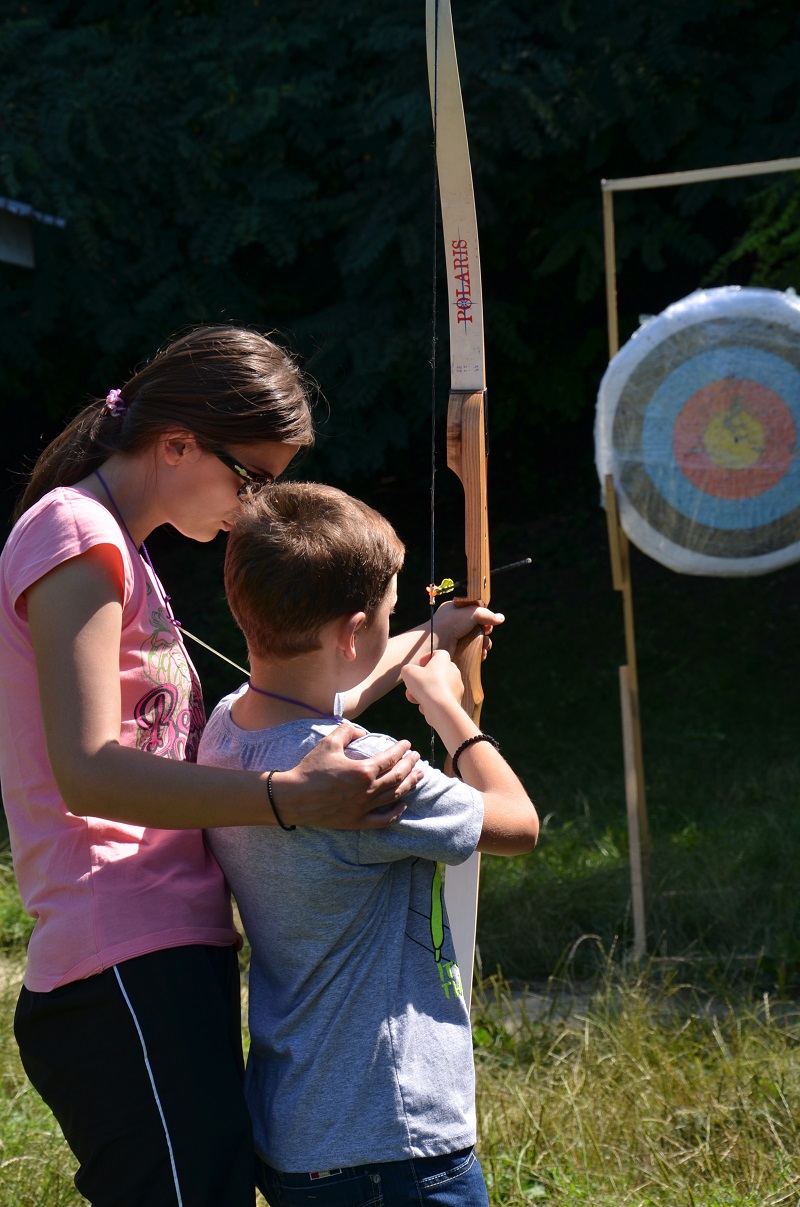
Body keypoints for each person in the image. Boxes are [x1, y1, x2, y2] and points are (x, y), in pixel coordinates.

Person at [0, 325, 502, 1207]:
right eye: (251, 476)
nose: (254, 502)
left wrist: (426, 640)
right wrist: (289, 798)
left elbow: (296, 693)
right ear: (178, 442)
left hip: (163, 949)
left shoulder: (121, 547)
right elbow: (87, 771)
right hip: (115, 956)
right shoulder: (74, 534)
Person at [200, 482, 539, 1207]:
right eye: (390, 614)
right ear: (353, 634)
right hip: (395, 1140)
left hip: (299, 1133)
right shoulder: (372, 776)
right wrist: (449, 709)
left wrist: (429, 635)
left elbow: (323, 696)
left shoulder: (227, 730)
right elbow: (517, 823)